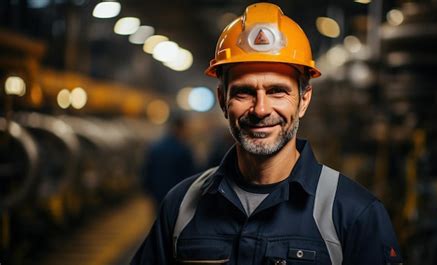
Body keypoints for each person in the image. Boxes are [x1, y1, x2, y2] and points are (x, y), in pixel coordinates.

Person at [131, 3, 402, 265]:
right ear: (223, 100)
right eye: (243, 92)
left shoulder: (353, 214)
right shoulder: (181, 206)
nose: (260, 109)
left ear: (304, 100)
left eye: (277, 91)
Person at [141, 111, 196, 207]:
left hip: (157, 194)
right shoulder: (182, 149)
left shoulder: (155, 147)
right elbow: (190, 175)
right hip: (177, 196)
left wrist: (148, 190)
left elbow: (147, 171)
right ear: (179, 128)